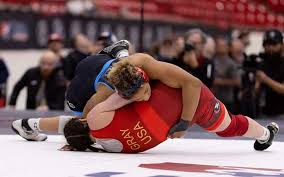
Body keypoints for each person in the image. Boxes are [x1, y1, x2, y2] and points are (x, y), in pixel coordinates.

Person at [12, 47, 279, 152]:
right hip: (89, 76)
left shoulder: (146, 65)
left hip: (191, 103)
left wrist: (185, 122)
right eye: (140, 95)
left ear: (143, 76)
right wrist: (77, 143)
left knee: (226, 127)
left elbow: (193, 83)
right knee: (82, 122)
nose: (147, 93)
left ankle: (264, 134)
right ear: (122, 96)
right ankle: (29, 125)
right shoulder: (103, 97)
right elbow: (81, 124)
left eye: (146, 88)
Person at [255, 29, 284, 116]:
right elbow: (255, 92)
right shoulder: (260, 64)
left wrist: (265, 79)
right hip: (263, 114)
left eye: (274, 44)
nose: (270, 47)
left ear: (282, 45)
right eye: (267, 44)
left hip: (282, 114)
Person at [213, 36, 241, 112]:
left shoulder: (231, 64)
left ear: (228, 48)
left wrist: (220, 81)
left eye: (223, 46)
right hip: (213, 98)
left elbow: (237, 81)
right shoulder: (212, 61)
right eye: (219, 45)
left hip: (227, 99)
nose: (220, 48)